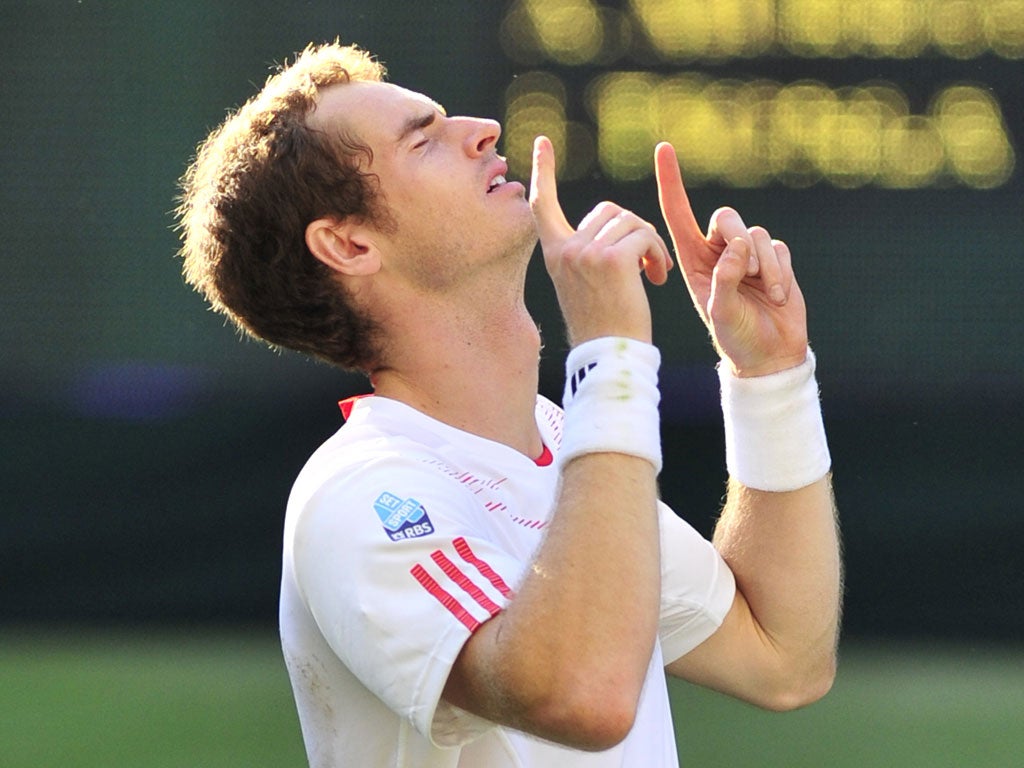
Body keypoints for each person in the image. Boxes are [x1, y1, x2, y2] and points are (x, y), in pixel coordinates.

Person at [176, 40, 841, 768]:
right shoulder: (363, 493)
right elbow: (583, 698)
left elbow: (782, 660)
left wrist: (769, 375)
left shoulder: (561, 440)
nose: (481, 129)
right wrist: (610, 349)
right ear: (348, 244)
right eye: (422, 139)